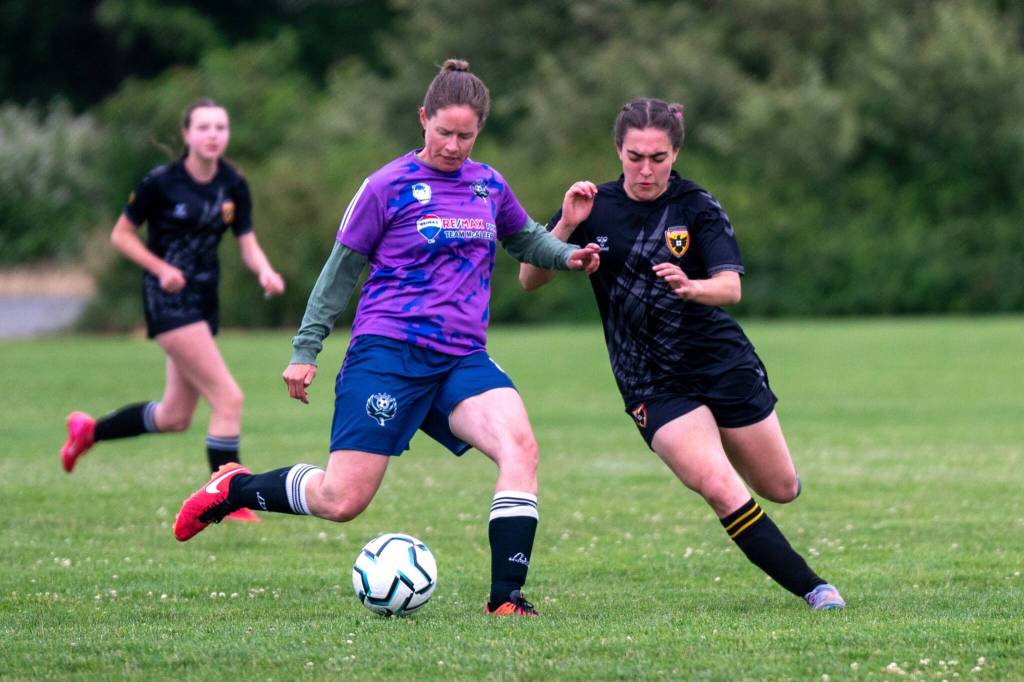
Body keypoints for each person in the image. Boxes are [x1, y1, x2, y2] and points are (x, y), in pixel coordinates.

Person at [173, 60, 601, 616]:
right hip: (388, 356)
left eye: (465, 135)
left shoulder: (488, 185)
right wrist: (306, 349)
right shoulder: (386, 186)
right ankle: (233, 489)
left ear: (479, 131)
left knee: (520, 447)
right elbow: (339, 273)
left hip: (460, 360)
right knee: (342, 500)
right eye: (443, 131)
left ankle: (506, 600)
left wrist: (569, 253)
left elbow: (527, 242)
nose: (452, 145)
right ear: (423, 119)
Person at [519, 97, 846, 610]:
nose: (645, 169)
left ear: (675, 153)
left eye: (658, 158)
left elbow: (730, 289)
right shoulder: (590, 205)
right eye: (634, 157)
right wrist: (563, 228)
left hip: (721, 362)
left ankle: (770, 472)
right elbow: (528, 278)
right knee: (718, 483)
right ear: (617, 150)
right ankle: (815, 588)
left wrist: (692, 287)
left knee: (779, 487)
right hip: (651, 381)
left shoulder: (696, 206)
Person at [60, 98, 286, 524]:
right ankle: (227, 497)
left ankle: (88, 432)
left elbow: (247, 242)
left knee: (174, 416)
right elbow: (121, 236)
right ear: (186, 135)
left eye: (221, 127)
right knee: (228, 397)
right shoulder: (160, 183)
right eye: (204, 127)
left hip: (203, 300)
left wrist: (265, 271)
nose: (213, 134)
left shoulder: (233, 184)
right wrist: (161, 268)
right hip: (167, 301)